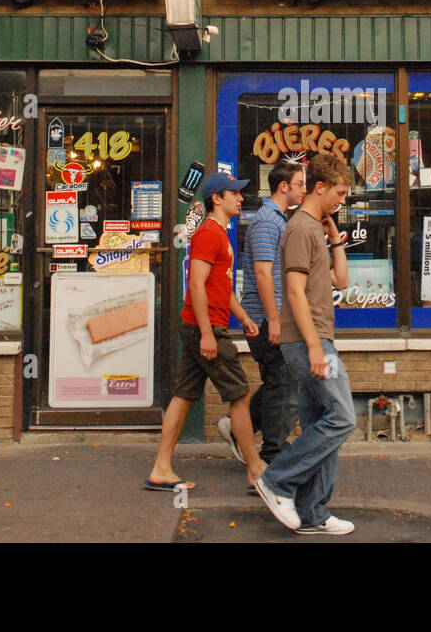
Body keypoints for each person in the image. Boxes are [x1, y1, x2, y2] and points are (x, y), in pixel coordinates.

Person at [253, 153, 356, 535]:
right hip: (309, 341)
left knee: (321, 422)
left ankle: (314, 512)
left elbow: (340, 282)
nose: (342, 200)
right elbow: (294, 292)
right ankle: (276, 479)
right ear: (319, 187)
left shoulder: (314, 229)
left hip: (318, 337)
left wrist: (335, 240)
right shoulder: (298, 228)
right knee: (343, 418)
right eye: (340, 193)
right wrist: (315, 347)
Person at [146, 172, 266, 493]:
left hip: (203, 325)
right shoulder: (209, 234)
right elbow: (196, 284)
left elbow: (220, 287)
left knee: (184, 395)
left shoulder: (219, 235)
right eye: (234, 194)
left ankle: (161, 469)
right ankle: (256, 469)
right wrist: (208, 334)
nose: (241, 198)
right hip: (205, 327)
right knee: (240, 394)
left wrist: (242, 317)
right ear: (217, 198)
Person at [227, 160, 306, 465]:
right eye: (299, 185)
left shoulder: (279, 219)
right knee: (282, 384)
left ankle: (240, 427)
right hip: (265, 318)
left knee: (281, 382)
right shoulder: (267, 222)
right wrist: (273, 318)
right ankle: (273, 453)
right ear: (283, 186)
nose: (303, 190)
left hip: (275, 317)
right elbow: (262, 272)